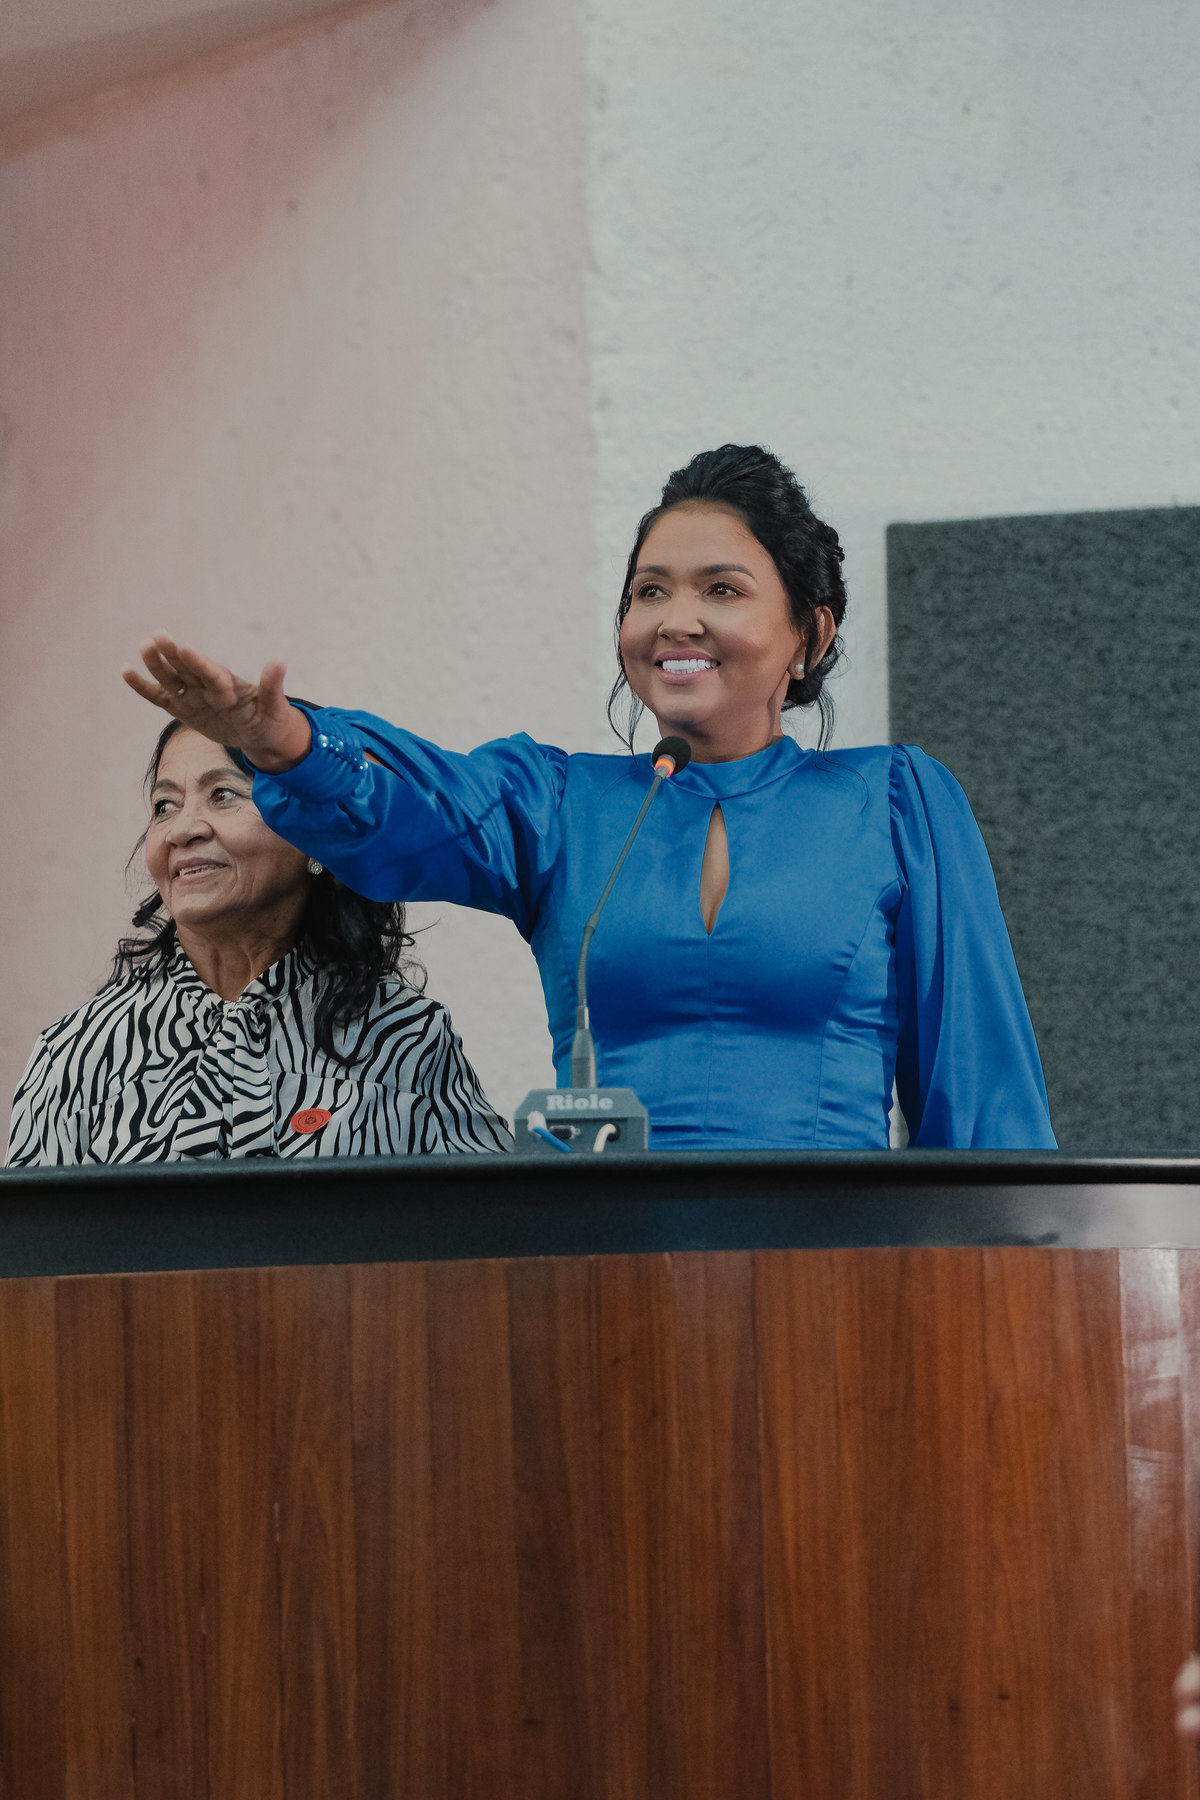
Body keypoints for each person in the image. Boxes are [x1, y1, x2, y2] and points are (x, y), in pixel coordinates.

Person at [121, 444, 1055, 1152]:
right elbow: (419, 804)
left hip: (831, 1282)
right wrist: (281, 740)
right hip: (608, 1281)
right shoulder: (560, 804)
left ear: (809, 634)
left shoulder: (895, 803)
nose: (674, 619)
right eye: (649, 591)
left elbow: (980, 1105)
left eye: (720, 589)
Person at [7, 715, 512, 1164]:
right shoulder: (77, 1052)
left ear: (313, 832)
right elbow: (33, 1259)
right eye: (165, 805)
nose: (182, 829)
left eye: (223, 794)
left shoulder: (407, 1037)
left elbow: (489, 1241)